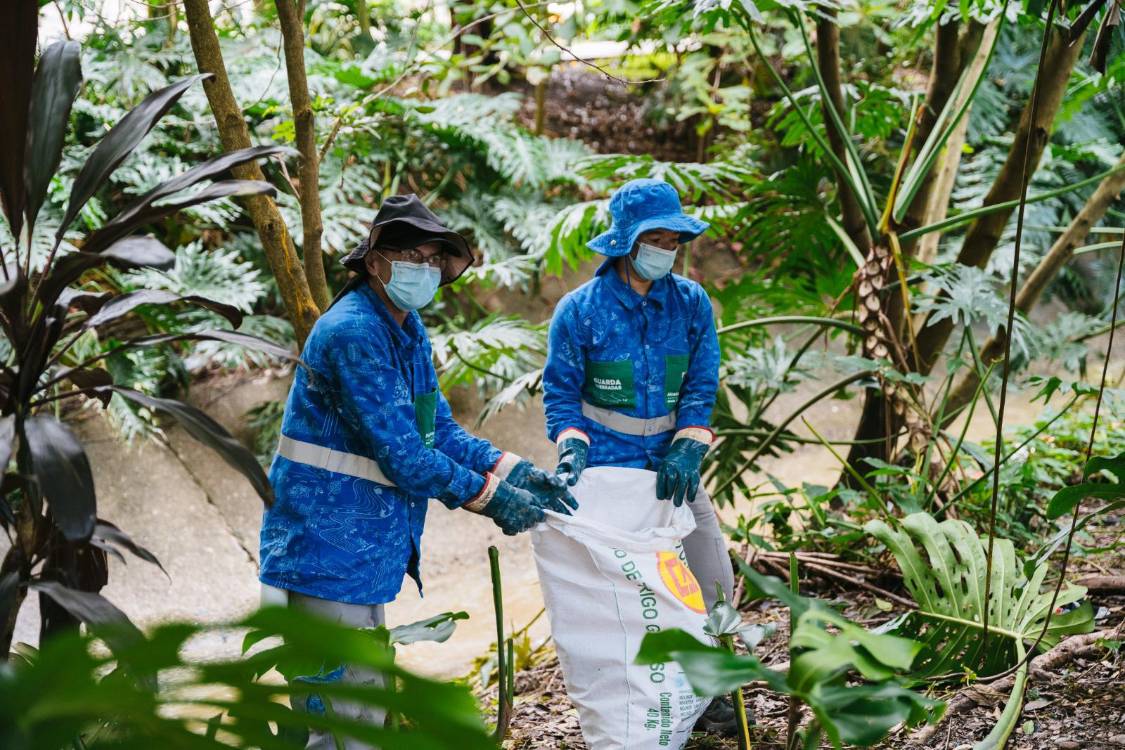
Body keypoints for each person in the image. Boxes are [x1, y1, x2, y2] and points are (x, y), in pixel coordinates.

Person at [260, 194, 576, 749]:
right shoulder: (354, 332)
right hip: (325, 547)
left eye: (434, 258)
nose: (425, 268)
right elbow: (404, 454)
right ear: (376, 261)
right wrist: (489, 497)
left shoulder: (405, 326)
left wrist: (514, 469)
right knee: (338, 722)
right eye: (413, 255)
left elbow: (439, 432)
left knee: (360, 710)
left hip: (361, 550)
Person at [542, 178, 744, 735]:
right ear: (626, 242)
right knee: (628, 594)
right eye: (654, 238)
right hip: (607, 467)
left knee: (709, 572)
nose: (665, 249)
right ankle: (635, 702)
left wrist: (689, 442)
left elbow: (702, 384)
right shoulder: (580, 311)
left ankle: (711, 694)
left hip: (673, 465)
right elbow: (560, 395)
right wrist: (573, 448)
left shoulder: (691, 302)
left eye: (672, 239)